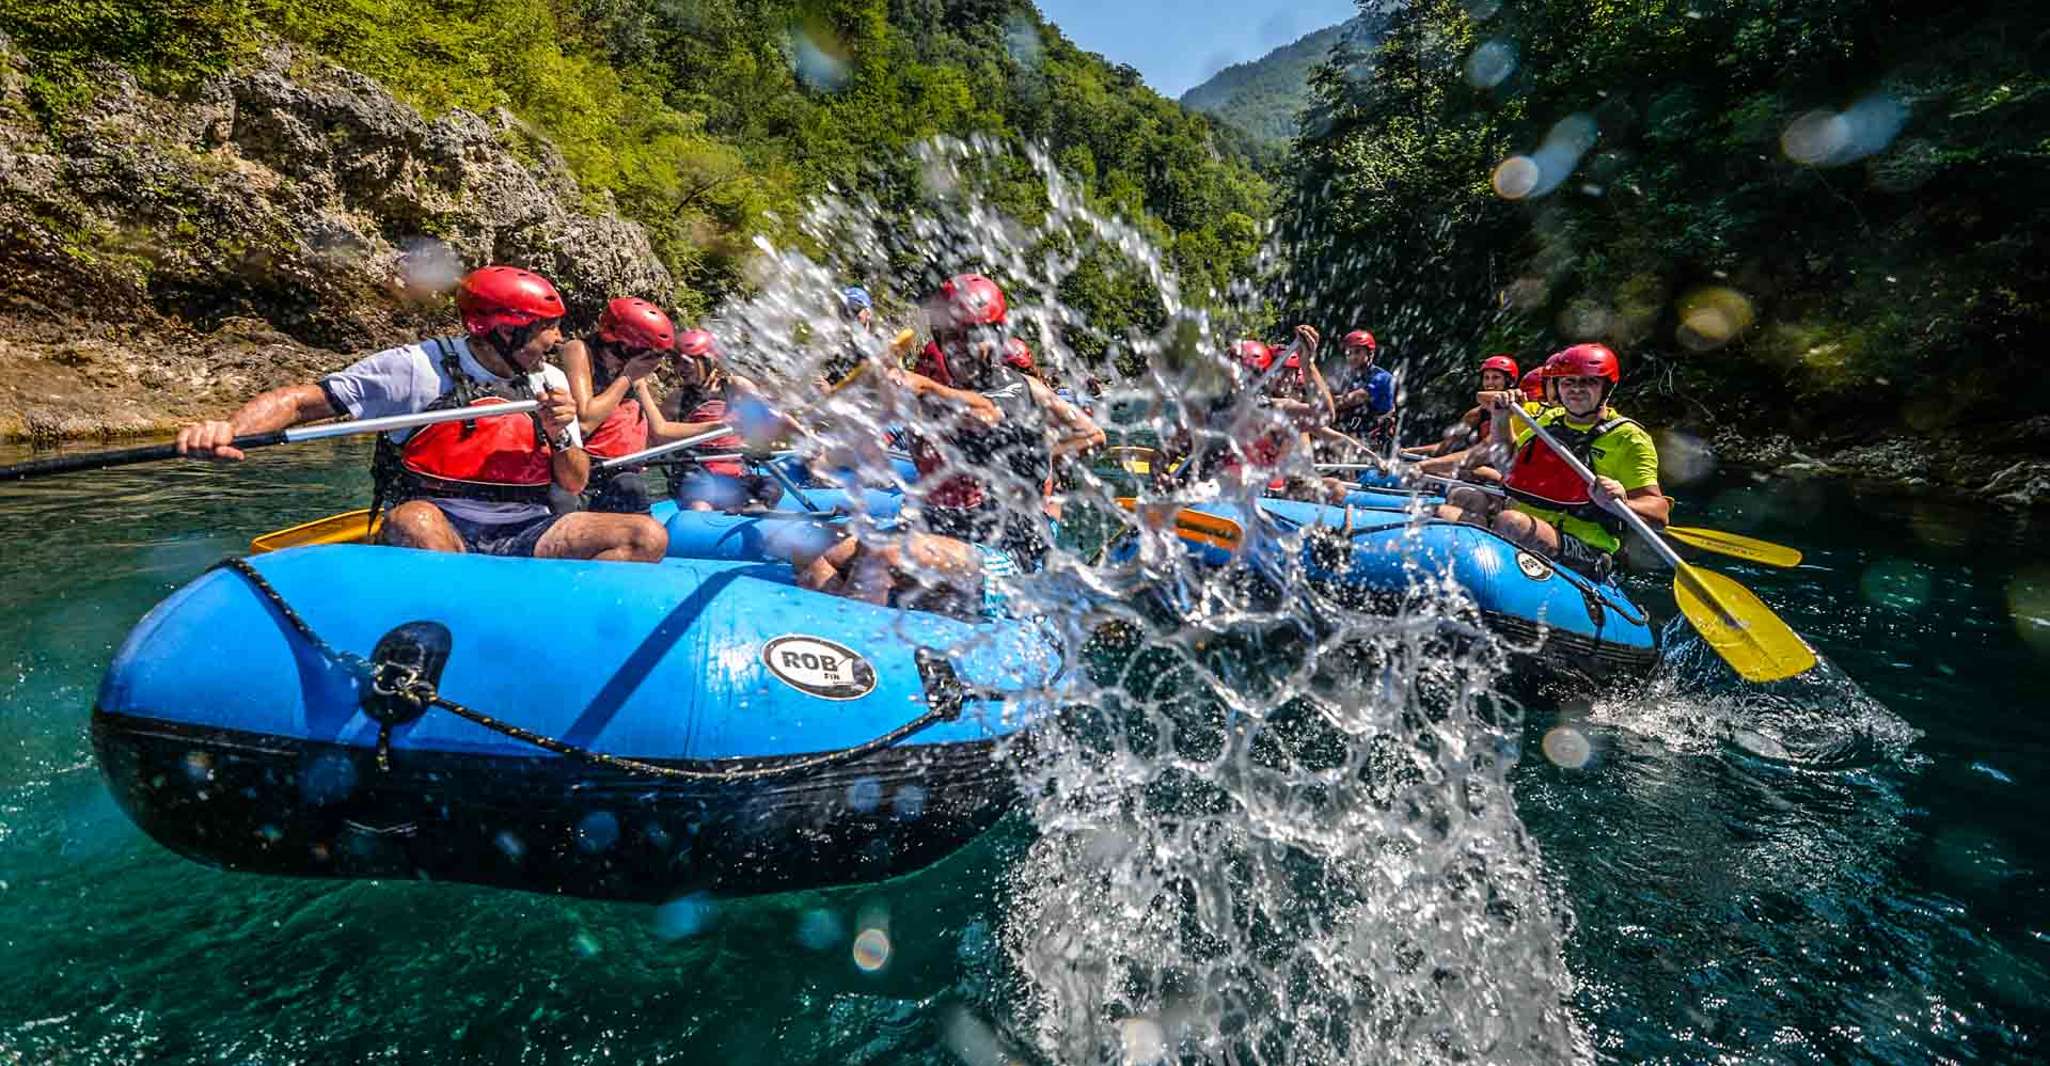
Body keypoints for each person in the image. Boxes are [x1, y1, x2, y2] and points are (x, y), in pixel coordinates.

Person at [174, 266, 667, 561]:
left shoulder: (549, 381)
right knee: (413, 523)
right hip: (443, 523)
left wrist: (560, 434)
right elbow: (301, 401)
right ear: (503, 330)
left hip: (527, 528)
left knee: (645, 536)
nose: (557, 341)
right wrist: (232, 429)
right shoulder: (415, 368)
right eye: (546, 330)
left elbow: (575, 483)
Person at [796, 273, 1103, 616]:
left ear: (996, 336)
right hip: (943, 533)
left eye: (972, 336)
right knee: (818, 555)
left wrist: (923, 387)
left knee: (884, 557)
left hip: (1005, 555)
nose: (960, 349)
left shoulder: (1021, 388)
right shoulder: (936, 399)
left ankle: (859, 653)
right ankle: (837, 647)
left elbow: (988, 411)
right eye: (950, 337)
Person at [1436, 343, 1669, 578]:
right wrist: (1500, 418)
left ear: (1606, 387)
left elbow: (1659, 513)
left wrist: (1622, 501)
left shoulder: (1628, 438)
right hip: (1523, 523)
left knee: (1511, 522)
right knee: (1455, 503)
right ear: (1557, 386)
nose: (1576, 389)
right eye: (1568, 382)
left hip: (1584, 549)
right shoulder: (1549, 421)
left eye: (1588, 381)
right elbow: (1504, 462)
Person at [557, 296, 677, 514]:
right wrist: (627, 377)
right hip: (590, 475)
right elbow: (584, 422)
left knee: (631, 486)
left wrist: (718, 426)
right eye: (648, 354)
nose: (652, 363)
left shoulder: (632, 374)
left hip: (626, 472)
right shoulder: (579, 351)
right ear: (621, 345)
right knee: (629, 487)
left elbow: (660, 430)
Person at [647, 328, 785, 512]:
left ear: (709, 360)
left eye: (686, 362)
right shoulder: (677, 398)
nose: (680, 368)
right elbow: (657, 436)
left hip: (734, 470)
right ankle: (700, 519)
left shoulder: (735, 386)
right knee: (700, 492)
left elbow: (768, 414)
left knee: (772, 485)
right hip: (696, 469)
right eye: (676, 362)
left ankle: (756, 508)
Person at [1329, 329, 1396, 446]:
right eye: (1349, 353)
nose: (1352, 357)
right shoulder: (1349, 377)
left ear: (1370, 354)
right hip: (1355, 434)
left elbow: (1349, 400)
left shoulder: (1382, 378)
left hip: (1376, 440)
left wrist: (1317, 403)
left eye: (1357, 352)